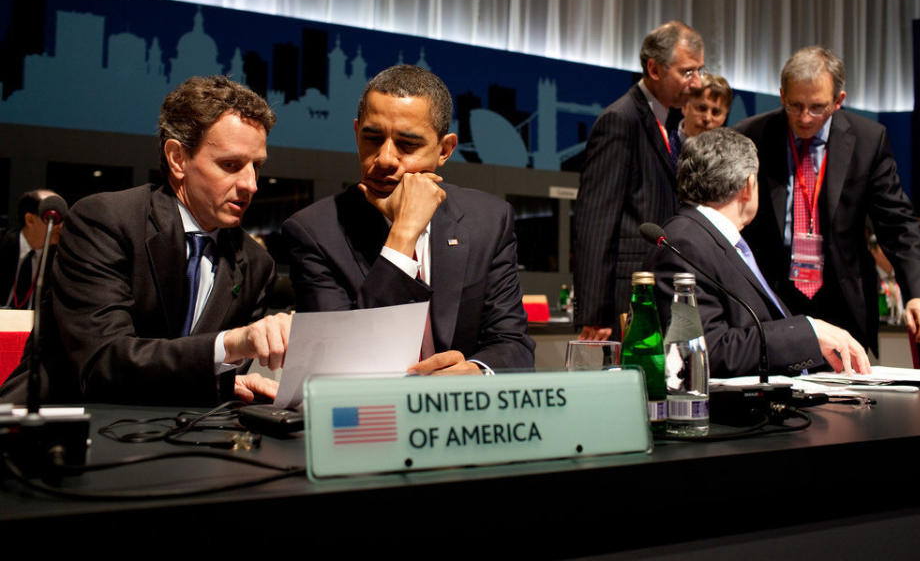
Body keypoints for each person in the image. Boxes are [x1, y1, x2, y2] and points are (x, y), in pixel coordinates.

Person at [0, 76, 291, 405]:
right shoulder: (104, 221)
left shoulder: (255, 264)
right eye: (231, 165)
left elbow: (207, 377)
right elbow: (102, 362)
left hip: (181, 433)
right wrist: (230, 344)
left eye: (256, 167)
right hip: (62, 421)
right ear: (177, 159)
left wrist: (230, 384)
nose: (251, 184)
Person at [282, 64, 534, 374]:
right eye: (372, 138)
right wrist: (403, 234)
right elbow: (342, 363)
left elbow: (513, 345)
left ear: (444, 150)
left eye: (407, 145)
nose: (385, 158)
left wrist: (476, 372)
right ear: (356, 133)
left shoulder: (488, 220)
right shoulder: (314, 232)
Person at [734, 47, 920, 355]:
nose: (804, 118)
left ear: (838, 100)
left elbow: (898, 224)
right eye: (795, 106)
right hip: (772, 297)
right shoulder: (751, 136)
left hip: (842, 299)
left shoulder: (868, 140)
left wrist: (919, 294)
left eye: (817, 107)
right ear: (781, 95)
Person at [644, 128, 871, 377]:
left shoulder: (715, 238)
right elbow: (706, 350)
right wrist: (808, 333)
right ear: (748, 185)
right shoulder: (684, 244)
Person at [574, 20, 704, 341]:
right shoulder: (621, 120)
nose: (698, 82)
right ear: (654, 69)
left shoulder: (672, 123)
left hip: (661, 286)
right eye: (687, 72)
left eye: (700, 70)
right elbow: (595, 221)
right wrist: (595, 312)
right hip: (625, 296)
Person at [1, 189, 64, 310]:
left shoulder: (61, 258)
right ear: (29, 219)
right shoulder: (3, 245)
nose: (61, 225)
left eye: (63, 218)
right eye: (53, 218)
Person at [678, 72, 733, 139]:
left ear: (725, 116)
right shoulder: (665, 147)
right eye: (702, 108)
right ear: (684, 107)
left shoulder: (728, 148)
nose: (707, 118)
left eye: (715, 112)